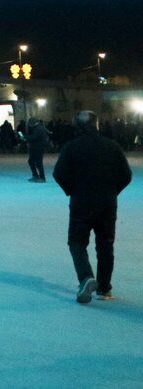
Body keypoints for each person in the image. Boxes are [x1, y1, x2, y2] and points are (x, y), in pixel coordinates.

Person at [53, 110, 132, 303]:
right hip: (107, 202)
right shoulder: (112, 146)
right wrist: (112, 191)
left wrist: (73, 189)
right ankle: (104, 288)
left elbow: (59, 173)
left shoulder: (72, 147)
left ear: (77, 127)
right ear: (97, 125)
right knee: (105, 244)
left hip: (81, 202)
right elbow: (126, 175)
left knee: (77, 242)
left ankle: (86, 277)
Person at [26, 118, 51, 182]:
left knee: (38, 162)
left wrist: (25, 137)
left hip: (39, 148)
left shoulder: (39, 128)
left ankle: (42, 177)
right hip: (35, 147)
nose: (29, 125)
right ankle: (35, 175)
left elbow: (34, 137)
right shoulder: (38, 127)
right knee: (31, 161)